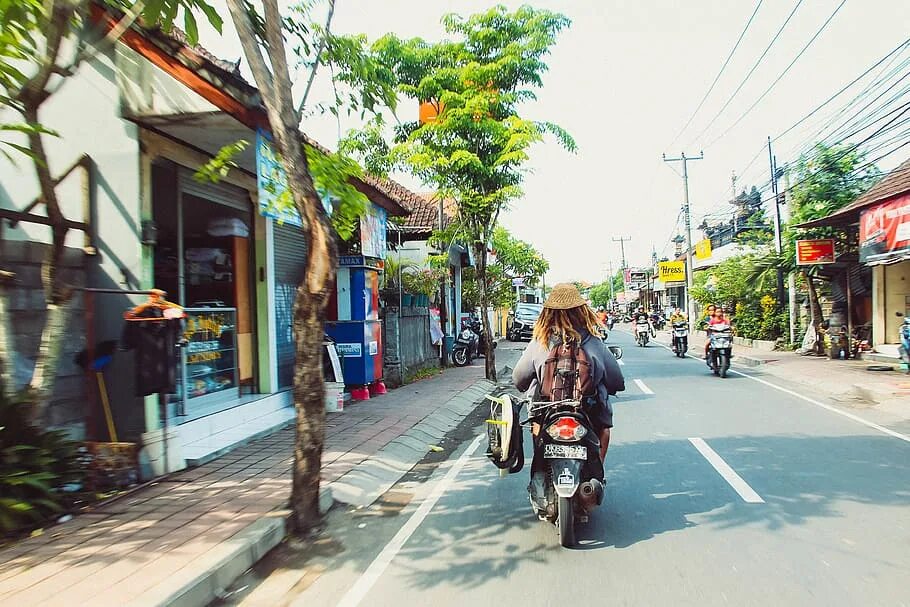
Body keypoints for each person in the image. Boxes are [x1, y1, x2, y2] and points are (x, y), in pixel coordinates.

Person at [513, 283, 625, 466]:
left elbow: (519, 378)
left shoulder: (540, 341)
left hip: (547, 409)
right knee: (604, 424)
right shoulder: (594, 342)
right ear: (582, 311)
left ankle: (542, 464)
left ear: (548, 313)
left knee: (536, 412)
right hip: (586, 410)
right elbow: (617, 380)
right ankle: (598, 469)